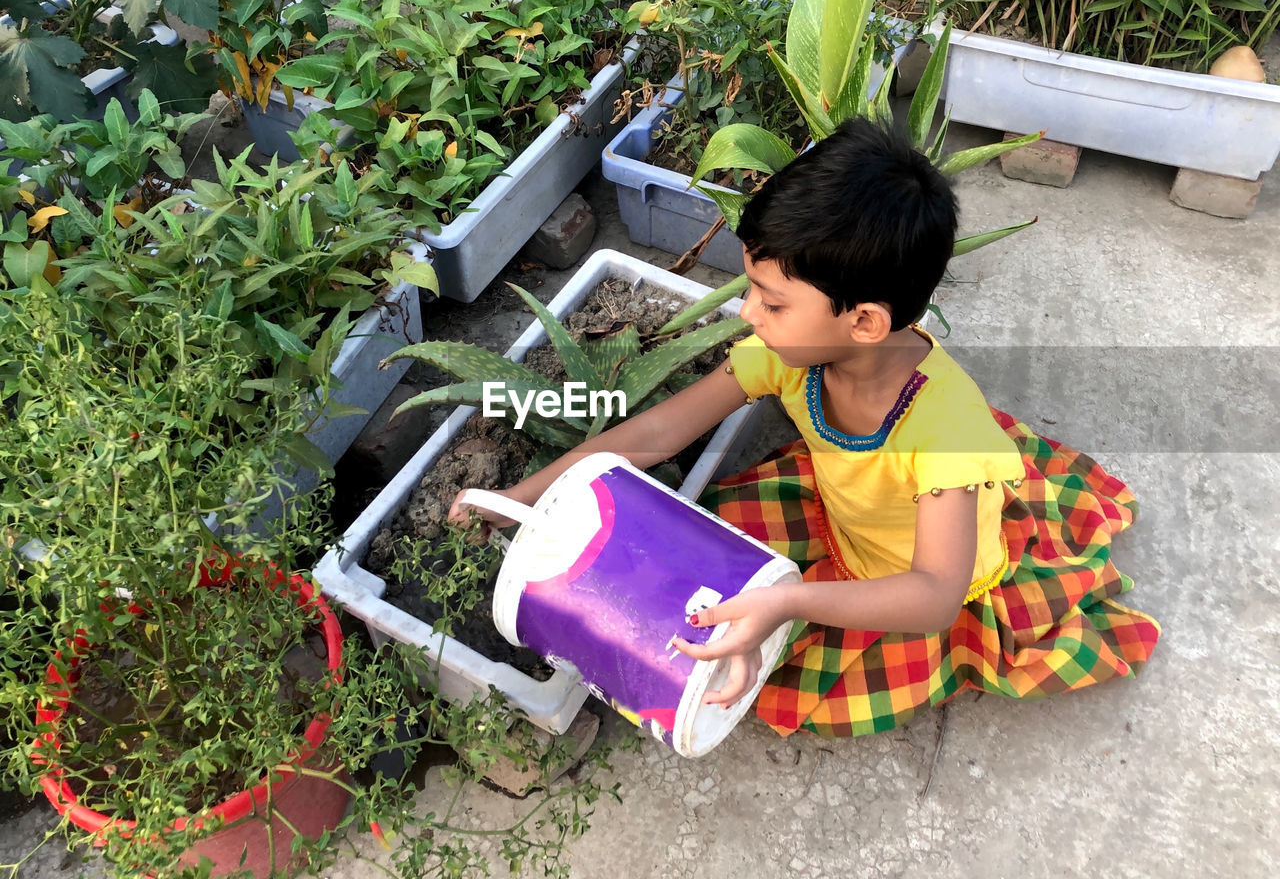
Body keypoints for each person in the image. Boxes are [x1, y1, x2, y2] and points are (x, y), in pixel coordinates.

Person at [449, 117, 1160, 739]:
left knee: (782, 690)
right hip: (844, 514)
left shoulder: (946, 432)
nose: (746, 313)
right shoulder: (792, 355)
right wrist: (523, 496)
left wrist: (789, 599)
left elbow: (934, 595)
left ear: (865, 321)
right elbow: (652, 435)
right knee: (708, 559)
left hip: (909, 581)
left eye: (773, 301)